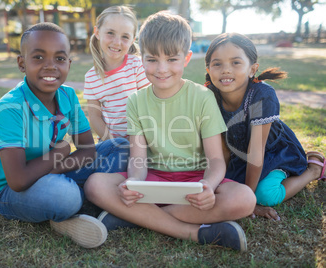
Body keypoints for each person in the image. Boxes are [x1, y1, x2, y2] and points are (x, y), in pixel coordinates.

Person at [84, 11, 256, 251]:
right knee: (95, 185)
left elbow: (216, 160)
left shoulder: (202, 97)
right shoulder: (135, 101)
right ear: (140, 58)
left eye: (172, 60)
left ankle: (135, 218)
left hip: (195, 181)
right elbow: (138, 158)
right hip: (153, 180)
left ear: (186, 59)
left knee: (245, 199)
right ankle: (193, 233)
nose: (161, 69)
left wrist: (208, 184)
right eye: (152, 59)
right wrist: (134, 182)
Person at [0, 22, 129, 249]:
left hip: (50, 172)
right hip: (8, 190)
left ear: (69, 64)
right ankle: (77, 208)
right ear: (22, 63)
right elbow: (19, 180)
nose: (50, 66)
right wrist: (59, 153)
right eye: (38, 58)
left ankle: (82, 202)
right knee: (65, 197)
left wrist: (56, 164)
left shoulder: (67, 96)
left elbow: (88, 150)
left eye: (60, 59)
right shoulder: (10, 109)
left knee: (119, 146)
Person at [204, 32, 326, 221]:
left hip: (274, 152)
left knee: (265, 195)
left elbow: (256, 151)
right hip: (240, 156)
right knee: (222, 185)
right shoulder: (210, 95)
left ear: (252, 69)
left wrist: (249, 200)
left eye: (236, 62)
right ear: (208, 69)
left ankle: (313, 170)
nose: (225, 70)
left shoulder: (262, 95)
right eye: (217, 64)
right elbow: (222, 148)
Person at [84, 6, 150, 141]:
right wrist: (114, 143)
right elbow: (95, 117)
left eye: (125, 36)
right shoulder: (91, 77)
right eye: (110, 33)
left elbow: (149, 106)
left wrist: (137, 141)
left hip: (141, 138)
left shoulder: (137, 65)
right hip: (111, 142)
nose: (117, 42)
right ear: (97, 32)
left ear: (133, 40)